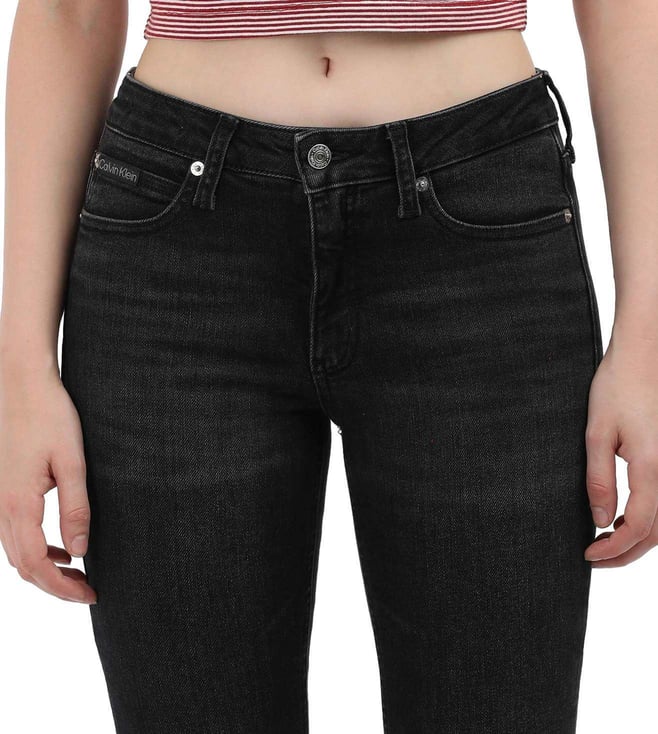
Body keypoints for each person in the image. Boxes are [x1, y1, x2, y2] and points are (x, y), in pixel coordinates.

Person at [1, 1, 656, 732]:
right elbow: (69, 13)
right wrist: (21, 372)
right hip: (177, 241)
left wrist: (648, 341)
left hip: (477, 230)